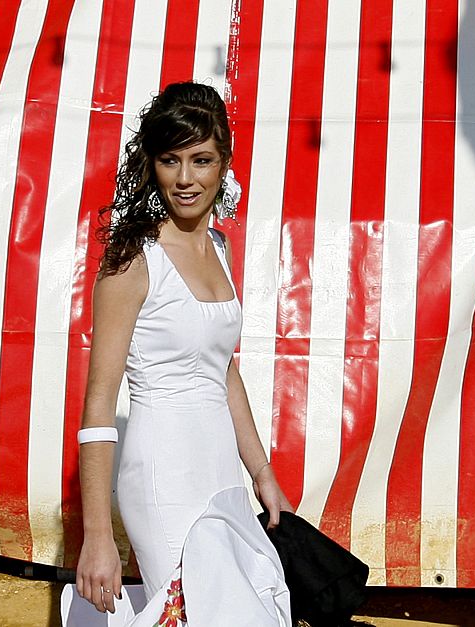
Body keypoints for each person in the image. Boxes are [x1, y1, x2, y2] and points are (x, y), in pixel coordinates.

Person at [74, 81, 294, 625]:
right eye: (171, 161)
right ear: (152, 165)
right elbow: (99, 405)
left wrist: (261, 472)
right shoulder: (131, 261)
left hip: (221, 471)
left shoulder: (220, 247)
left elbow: (222, 368)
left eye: (201, 160)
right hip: (161, 475)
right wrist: (98, 536)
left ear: (224, 163)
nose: (186, 179)